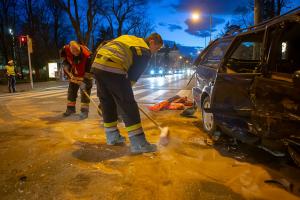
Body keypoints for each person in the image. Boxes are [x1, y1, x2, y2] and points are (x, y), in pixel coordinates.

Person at [92, 33, 163, 154]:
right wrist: (124, 95)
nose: (155, 52)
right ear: (151, 42)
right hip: (114, 66)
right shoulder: (144, 50)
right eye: (156, 48)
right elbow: (133, 76)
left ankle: (112, 137)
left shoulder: (130, 39)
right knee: (128, 104)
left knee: (107, 102)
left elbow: (104, 45)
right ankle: (139, 144)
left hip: (97, 65)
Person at [60, 41, 93, 119]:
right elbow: (63, 58)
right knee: (71, 92)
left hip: (85, 75)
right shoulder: (65, 49)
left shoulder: (87, 56)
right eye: (73, 51)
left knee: (85, 94)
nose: (75, 53)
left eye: (77, 51)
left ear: (79, 47)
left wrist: (84, 83)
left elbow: (90, 72)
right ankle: (70, 109)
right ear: (70, 48)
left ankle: (84, 111)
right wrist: (65, 64)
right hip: (74, 75)